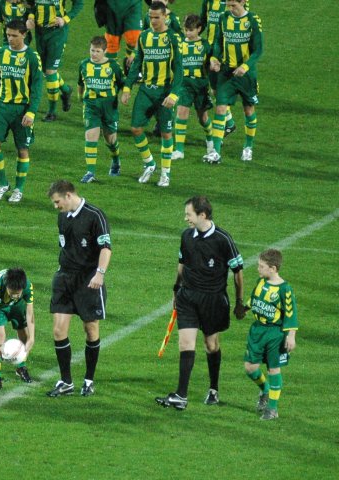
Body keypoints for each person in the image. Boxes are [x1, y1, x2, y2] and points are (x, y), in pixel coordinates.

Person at [156, 195, 245, 410]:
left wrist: (239, 301)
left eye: (189, 214)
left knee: (211, 345)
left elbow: (238, 272)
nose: (185, 218)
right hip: (188, 297)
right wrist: (176, 289)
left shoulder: (223, 239)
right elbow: (182, 264)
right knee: (186, 343)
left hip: (213, 300)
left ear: (202, 215)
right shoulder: (186, 236)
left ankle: (213, 389)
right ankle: (181, 396)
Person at [46, 180, 112, 397]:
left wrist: (99, 274)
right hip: (65, 278)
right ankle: (66, 382)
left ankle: (88, 380)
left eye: (57, 202)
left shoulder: (95, 215)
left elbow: (105, 247)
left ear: (68, 195)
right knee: (58, 330)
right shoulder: (62, 217)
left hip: (88, 280)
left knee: (91, 329)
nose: (56, 206)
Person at [122, 1, 182, 187]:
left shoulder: (173, 37)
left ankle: (165, 173)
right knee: (135, 129)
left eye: (157, 17)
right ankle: (149, 163)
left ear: (165, 16)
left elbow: (179, 69)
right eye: (150, 17)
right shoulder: (144, 36)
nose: (153, 20)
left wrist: (174, 95)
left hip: (164, 92)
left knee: (166, 134)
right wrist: (127, 88)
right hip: (146, 90)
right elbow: (137, 63)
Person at [0, 19, 43, 204]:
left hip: (22, 110)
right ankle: (3, 184)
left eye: (14, 35)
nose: (10, 39)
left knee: (22, 150)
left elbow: (37, 87)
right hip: (2, 107)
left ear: (24, 35)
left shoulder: (32, 57)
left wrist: (32, 112)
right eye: (8, 35)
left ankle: (18, 189)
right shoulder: (1, 52)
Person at [203, 0, 263, 164]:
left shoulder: (252, 20)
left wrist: (245, 66)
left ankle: (248, 147)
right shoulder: (224, 18)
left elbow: (258, 50)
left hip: (246, 75)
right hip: (227, 72)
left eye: (233, 6)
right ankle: (215, 152)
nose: (229, 9)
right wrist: (215, 58)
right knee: (221, 108)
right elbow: (218, 42)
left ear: (243, 2)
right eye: (228, 5)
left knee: (248, 110)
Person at [242, 249, 298, 421]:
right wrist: (244, 308)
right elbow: (255, 299)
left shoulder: (285, 289)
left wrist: (291, 336)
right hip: (257, 330)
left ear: (273, 268)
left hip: (275, 333)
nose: (258, 269)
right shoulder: (261, 281)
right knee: (250, 367)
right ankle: (265, 390)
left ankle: (272, 409)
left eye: (261, 266)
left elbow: (291, 313)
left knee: (273, 369)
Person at [77, 36, 128, 183]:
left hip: (109, 107)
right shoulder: (84, 65)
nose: (94, 54)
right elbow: (80, 83)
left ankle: (116, 161)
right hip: (91, 106)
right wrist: (80, 98)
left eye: (97, 51)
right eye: (92, 50)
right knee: (90, 136)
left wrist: (124, 94)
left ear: (104, 51)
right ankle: (90, 172)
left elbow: (122, 83)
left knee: (110, 140)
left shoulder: (113, 66)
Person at [200, 0, 250, 137]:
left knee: (222, 90)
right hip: (211, 50)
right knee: (215, 89)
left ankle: (222, 129)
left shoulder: (235, 2)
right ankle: (230, 123)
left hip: (226, 52)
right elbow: (202, 22)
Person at [26, 0, 82, 121]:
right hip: (40, 32)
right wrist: (30, 18)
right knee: (46, 71)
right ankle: (66, 90)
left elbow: (79, 3)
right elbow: (30, 4)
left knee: (50, 71)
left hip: (57, 34)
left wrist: (65, 19)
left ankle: (52, 112)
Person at [171, 14, 215, 161]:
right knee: (181, 113)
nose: (188, 33)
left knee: (203, 118)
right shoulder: (180, 45)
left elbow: (213, 64)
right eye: (186, 30)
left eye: (191, 30)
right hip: (185, 85)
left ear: (199, 29)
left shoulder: (206, 45)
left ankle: (210, 140)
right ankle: (179, 150)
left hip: (201, 85)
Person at [0, 268, 35, 390]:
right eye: (11, 292)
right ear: (7, 286)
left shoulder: (28, 287)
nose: (14, 295)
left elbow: (30, 314)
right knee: (0, 336)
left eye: (17, 293)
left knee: (24, 332)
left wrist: (32, 338)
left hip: (17, 305)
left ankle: (20, 367)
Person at [94, 0, 143, 74]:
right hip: (111, 6)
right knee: (112, 40)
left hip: (132, 4)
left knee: (134, 37)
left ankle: (132, 66)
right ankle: (111, 71)